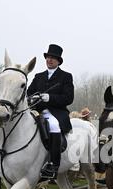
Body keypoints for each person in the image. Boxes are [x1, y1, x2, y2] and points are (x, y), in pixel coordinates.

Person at [27, 44, 74, 180]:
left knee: (53, 125)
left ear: (58, 61)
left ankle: (53, 164)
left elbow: (68, 98)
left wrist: (50, 98)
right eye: (48, 57)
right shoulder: (38, 76)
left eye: (53, 58)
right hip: (37, 110)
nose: (49, 60)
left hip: (56, 112)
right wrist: (32, 98)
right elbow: (29, 93)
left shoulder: (65, 77)